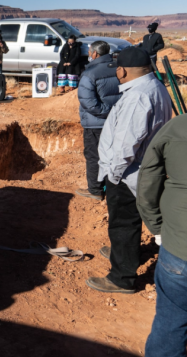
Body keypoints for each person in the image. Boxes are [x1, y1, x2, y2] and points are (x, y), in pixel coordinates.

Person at [86, 46, 173, 294]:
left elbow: (126, 143)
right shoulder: (154, 87)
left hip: (127, 173)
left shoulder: (137, 96)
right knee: (130, 219)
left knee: (123, 222)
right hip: (140, 170)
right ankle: (123, 252)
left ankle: (121, 277)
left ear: (122, 70)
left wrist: (113, 175)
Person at [137, 113, 187, 356]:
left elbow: (148, 179)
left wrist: (156, 226)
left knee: (170, 323)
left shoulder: (178, 126)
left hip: (179, 247)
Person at [75, 41, 122, 201]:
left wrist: (105, 113)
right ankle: (114, 188)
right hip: (117, 121)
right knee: (115, 154)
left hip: (96, 123)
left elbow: (87, 101)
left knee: (94, 155)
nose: (89, 53)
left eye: (89, 51)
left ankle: (95, 190)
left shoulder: (90, 73)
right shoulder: (120, 68)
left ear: (95, 54)